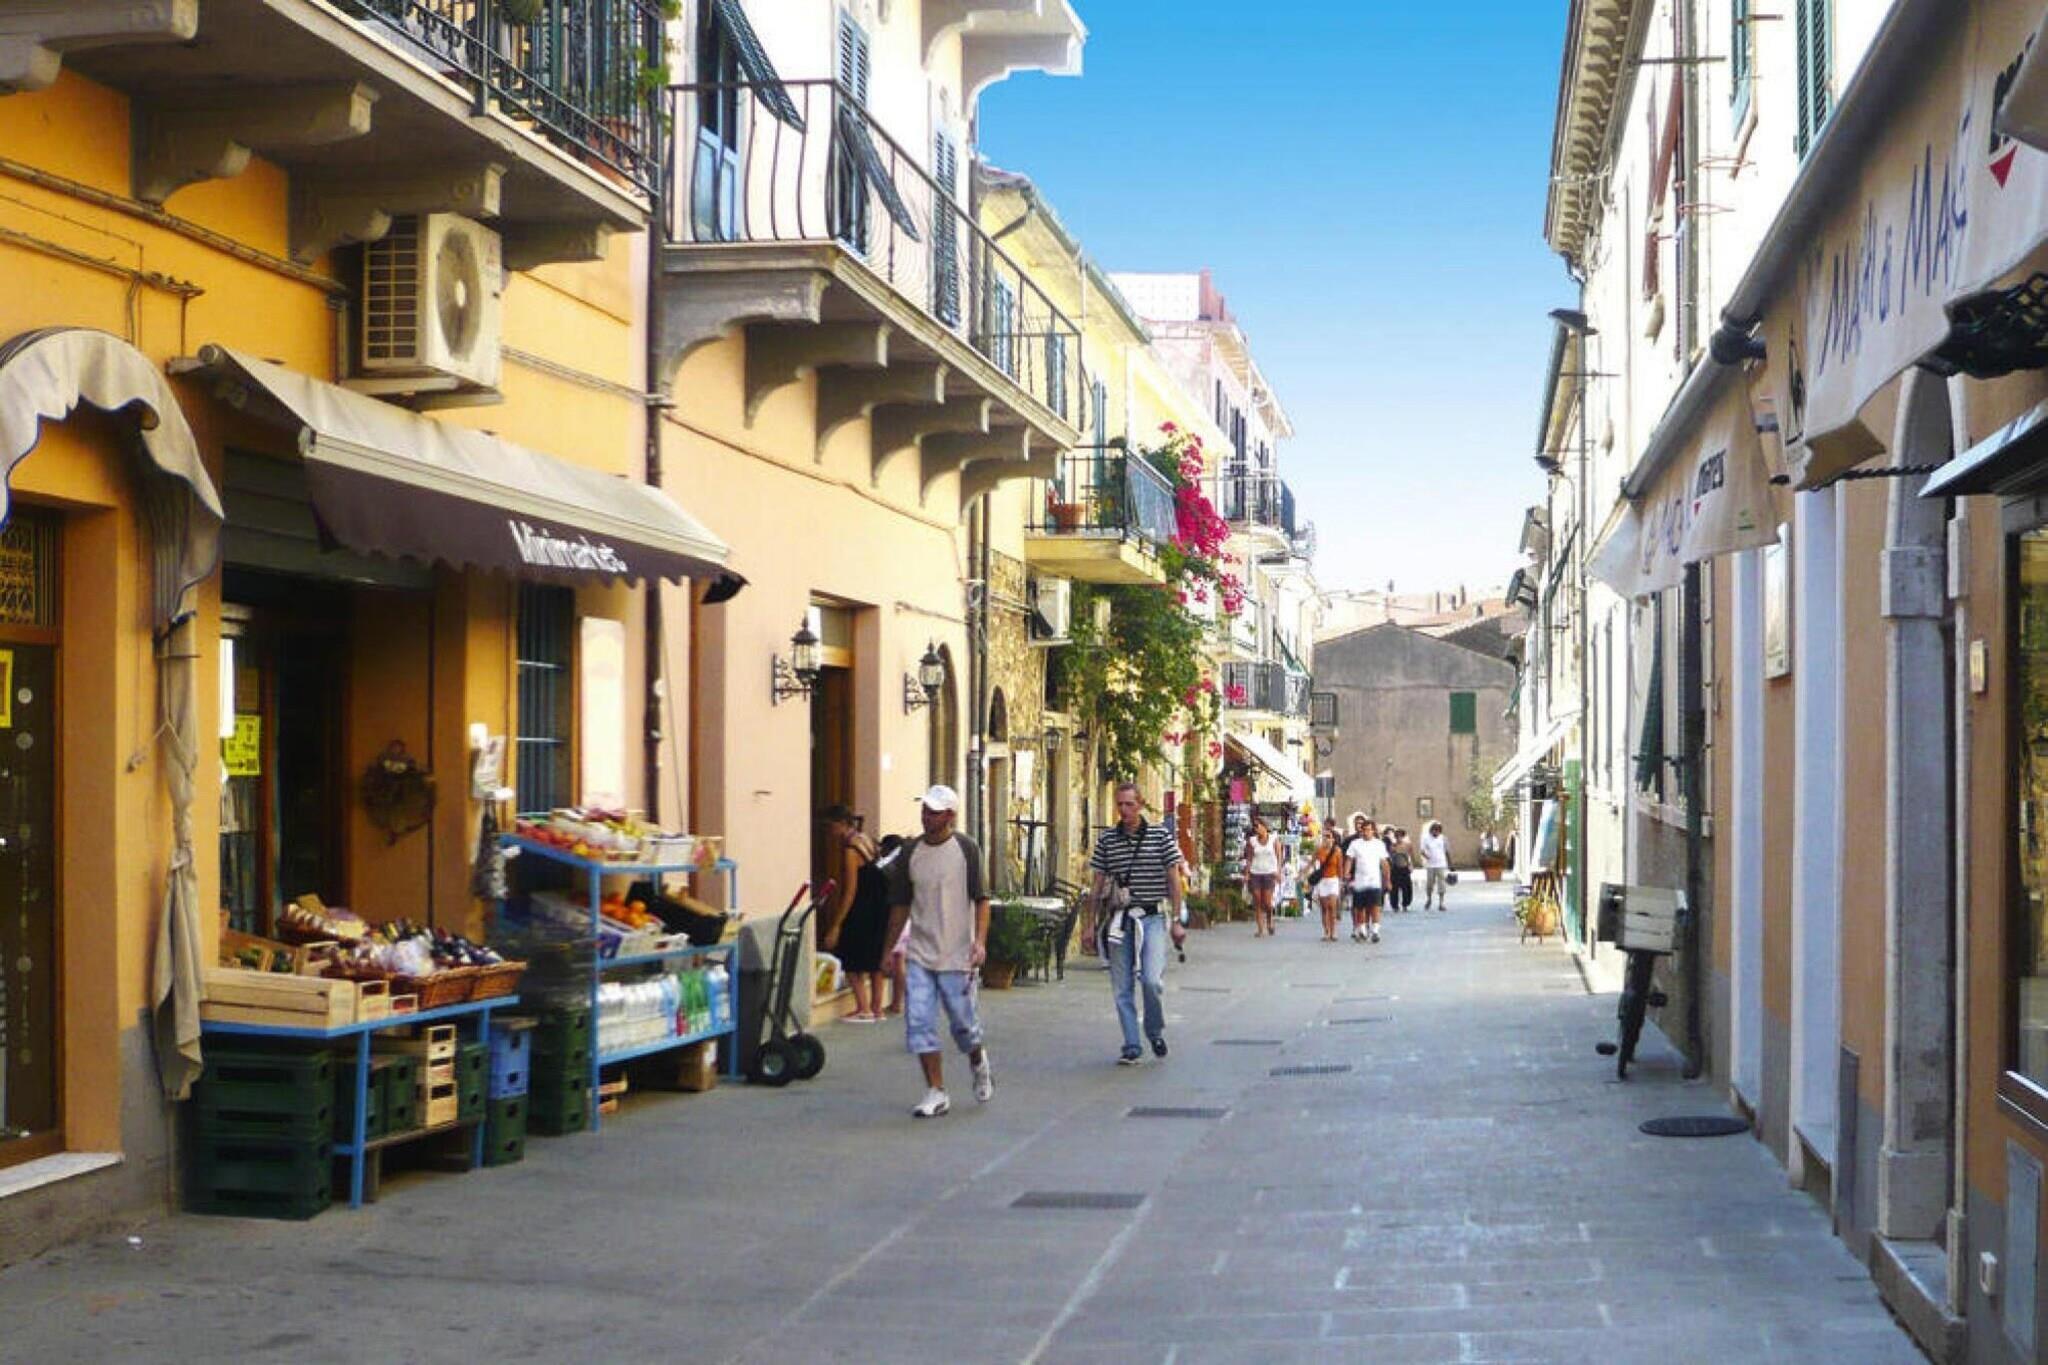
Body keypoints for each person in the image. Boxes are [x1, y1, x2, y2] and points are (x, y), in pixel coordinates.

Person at [882, 785, 993, 1118]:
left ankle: (978, 1060)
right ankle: (936, 1090)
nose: (926, 817)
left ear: (949, 816)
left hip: (957, 955)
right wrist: (888, 949)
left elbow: (982, 899)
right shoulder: (910, 852)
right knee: (918, 1023)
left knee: (963, 1025)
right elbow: (900, 905)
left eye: (933, 812)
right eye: (925, 810)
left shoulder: (966, 849)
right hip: (920, 952)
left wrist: (980, 941)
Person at [1090, 781, 1187, 1065]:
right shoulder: (1108, 840)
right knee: (1121, 986)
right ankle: (1132, 1044)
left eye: (1129, 804)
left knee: (1151, 980)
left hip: (1152, 917)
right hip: (1121, 920)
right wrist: (1089, 925)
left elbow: (1174, 880)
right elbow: (1097, 884)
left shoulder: (1160, 836)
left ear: (1140, 805)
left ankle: (1154, 1030)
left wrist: (1177, 920)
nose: (1124, 810)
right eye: (1119, 804)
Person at [820, 804, 888, 1022]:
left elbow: (850, 890)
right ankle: (877, 1008)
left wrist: (837, 924)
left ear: (841, 824)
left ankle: (863, 1008)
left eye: (831, 827)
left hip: (862, 908)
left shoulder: (850, 850)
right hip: (878, 906)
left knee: (851, 957)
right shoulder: (865, 840)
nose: (830, 833)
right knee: (875, 959)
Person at [1344, 813, 1390, 944]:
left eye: (1368, 830)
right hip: (1360, 881)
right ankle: (1362, 930)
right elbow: (1349, 860)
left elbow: (1384, 863)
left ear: (1373, 831)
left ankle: (1375, 931)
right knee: (1360, 907)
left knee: (1375, 906)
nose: (1366, 832)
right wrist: (1346, 873)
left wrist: (1387, 880)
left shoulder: (1379, 844)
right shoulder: (1355, 844)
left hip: (1374, 881)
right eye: (1364, 830)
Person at [1243, 815, 1281, 937]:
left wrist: (1279, 871)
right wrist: (1247, 874)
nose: (1256, 829)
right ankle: (1260, 928)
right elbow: (1249, 858)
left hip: (1269, 873)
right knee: (1257, 900)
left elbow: (1279, 857)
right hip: (1255, 873)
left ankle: (1270, 920)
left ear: (1264, 827)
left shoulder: (1273, 840)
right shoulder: (1252, 841)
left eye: (1257, 826)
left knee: (1267, 902)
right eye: (1254, 827)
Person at [1310, 825, 1347, 942]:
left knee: (1332, 906)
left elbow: (1340, 867)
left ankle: (1333, 931)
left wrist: (1341, 881)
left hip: (1333, 880)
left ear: (1333, 839)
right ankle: (1326, 931)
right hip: (1322, 880)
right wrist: (1303, 875)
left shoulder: (1337, 851)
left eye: (1328, 836)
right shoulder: (1319, 850)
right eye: (1324, 836)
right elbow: (1311, 863)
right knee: (1324, 908)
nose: (1326, 838)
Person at [1420, 819, 1452, 912]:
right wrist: (1427, 857)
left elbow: (1447, 851)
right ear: (1431, 830)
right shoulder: (1426, 838)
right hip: (1430, 865)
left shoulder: (1443, 838)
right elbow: (1422, 851)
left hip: (1441, 864)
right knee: (1430, 883)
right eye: (1434, 830)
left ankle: (1441, 903)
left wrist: (1450, 864)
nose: (1436, 832)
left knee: (1441, 883)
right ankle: (1429, 899)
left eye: (1438, 830)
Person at [1387, 827, 1415, 913]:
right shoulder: (1393, 846)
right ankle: (1395, 906)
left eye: (1400, 836)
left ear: (1403, 836)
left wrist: (1411, 865)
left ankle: (1405, 904)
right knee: (1394, 889)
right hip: (1395, 869)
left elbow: (1411, 856)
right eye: (1397, 836)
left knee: (1406, 888)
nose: (1399, 838)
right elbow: (1390, 857)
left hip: (1404, 868)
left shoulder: (1408, 845)